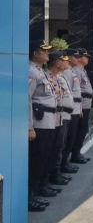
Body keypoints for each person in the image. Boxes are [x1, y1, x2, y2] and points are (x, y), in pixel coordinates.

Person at [28, 40, 56, 212]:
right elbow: (27, 100)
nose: (48, 54)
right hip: (39, 124)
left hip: (48, 122)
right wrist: (29, 127)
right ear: (35, 53)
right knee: (36, 161)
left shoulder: (40, 72)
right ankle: (30, 196)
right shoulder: (31, 72)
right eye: (44, 51)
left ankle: (36, 190)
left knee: (44, 159)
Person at [46, 52, 74, 191]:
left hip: (62, 116)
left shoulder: (59, 76)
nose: (67, 61)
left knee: (59, 146)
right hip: (53, 118)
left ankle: (55, 174)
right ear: (57, 63)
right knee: (53, 149)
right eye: (64, 60)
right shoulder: (48, 76)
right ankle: (50, 177)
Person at [61, 49, 82, 176]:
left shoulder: (72, 71)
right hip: (69, 110)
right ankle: (63, 163)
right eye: (75, 57)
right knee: (67, 139)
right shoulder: (67, 72)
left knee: (71, 137)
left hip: (74, 108)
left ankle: (64, 162)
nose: (77, 59)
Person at [71, 49, 93, 165]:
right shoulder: (76, 71)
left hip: (86, 104)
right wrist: (79, 107)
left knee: (83, 129)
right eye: (85, 57)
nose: (87, 59)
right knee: (80, 130)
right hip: (81, 104)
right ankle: (75, 154)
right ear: (79, 58)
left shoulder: (82, 71)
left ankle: (77, 152)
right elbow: (76, 90)